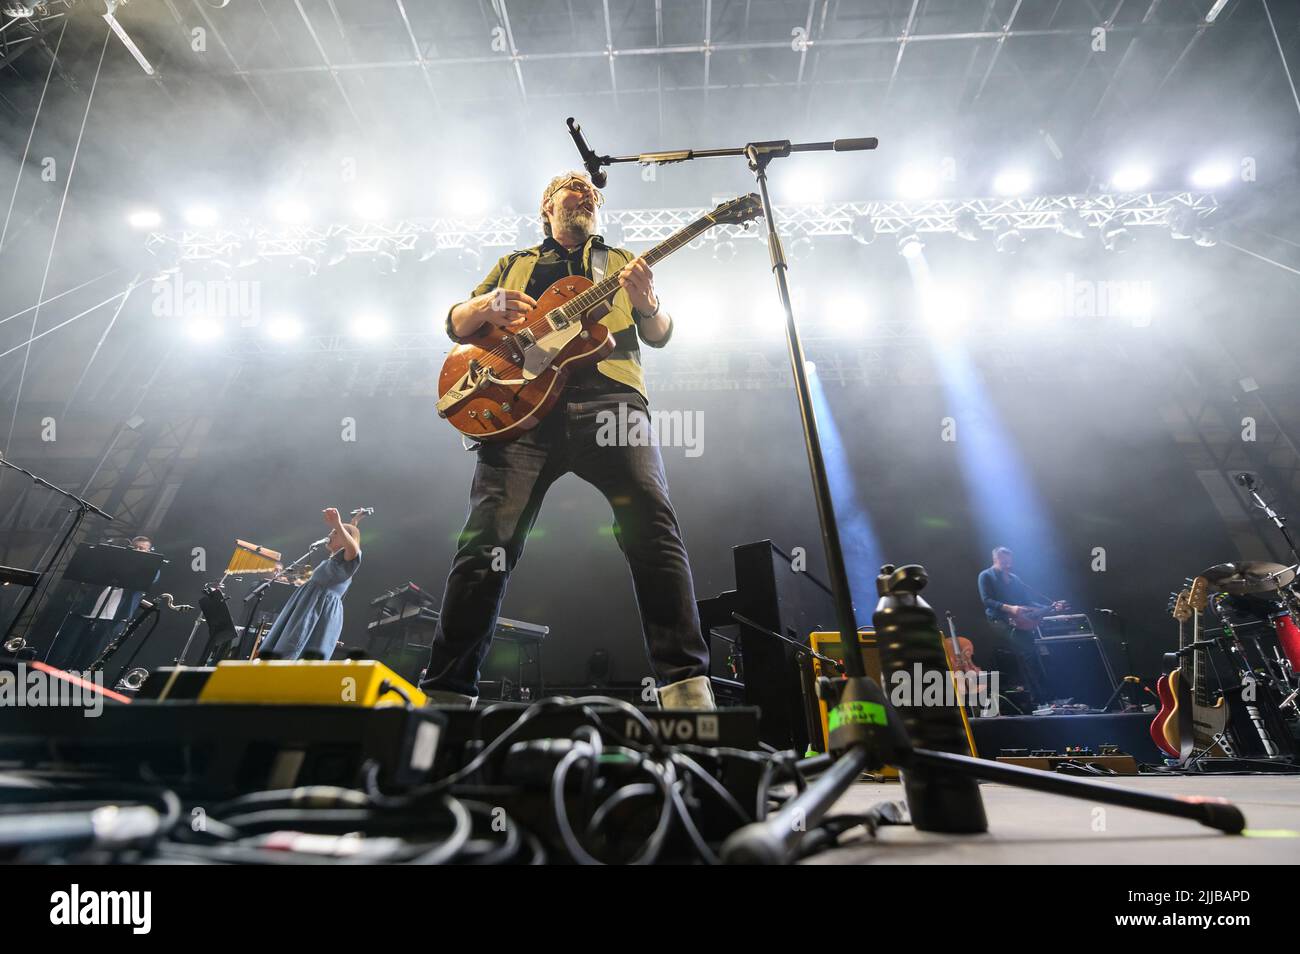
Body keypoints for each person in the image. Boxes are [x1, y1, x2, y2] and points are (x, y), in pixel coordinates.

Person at [421, 170, 711, 710]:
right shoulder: (515, 264)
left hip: (611, 401)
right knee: (487, 542)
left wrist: (647, 304)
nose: (583, 194)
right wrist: (484, 308)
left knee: (652, 524)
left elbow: (659, 333)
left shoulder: (622, 262)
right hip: (522, 412)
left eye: (590, 193)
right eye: (568, 191)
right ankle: (445, 696)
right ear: (546, 209)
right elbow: (456, 324)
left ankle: (686, 691)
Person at [257, 508, 360, 661]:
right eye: (332, 532)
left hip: (316, 608)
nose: (330, 534)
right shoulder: (336, 560)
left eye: (335, 533)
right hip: (306, 604)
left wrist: (338, 524)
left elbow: (353, 548)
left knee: (294, 647)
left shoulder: (349, 561)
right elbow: (351, 539)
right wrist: (354, 522)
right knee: (286, 644)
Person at [47, 535, 158, 670]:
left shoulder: (149, 569)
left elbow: (152, 577)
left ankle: (78, 683)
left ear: (149, 552)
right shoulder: (113, 561)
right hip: (86, 611)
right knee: (63, 648)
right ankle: (50, 674)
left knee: (92, 655)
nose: (137, 550)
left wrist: (140, 562)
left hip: (114, 619)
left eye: (142, 549)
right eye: (135, 547)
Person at [977, 546, 1066, 705]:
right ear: (995, 560)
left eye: (1009, 562)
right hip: (999, 620)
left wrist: (1050, 607)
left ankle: (1046, 699)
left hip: (1020, 622)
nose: (1008, 565)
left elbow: (1028, 603)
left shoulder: (1015, 579)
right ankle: (1041, 700)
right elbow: (987, 601)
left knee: (1034, 656)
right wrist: (1010, 608)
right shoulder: (986, 576)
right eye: (1004, 562)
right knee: (1029, 654)